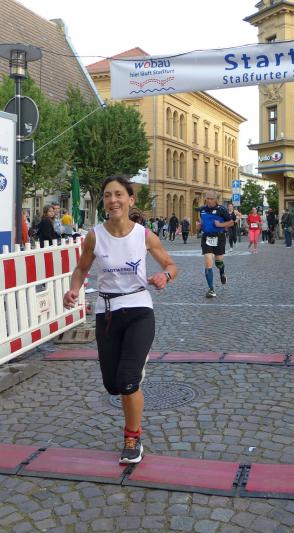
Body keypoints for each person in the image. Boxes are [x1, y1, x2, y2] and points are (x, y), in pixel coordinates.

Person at [63, 176, 179, 465]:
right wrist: (74, 289)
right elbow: (81, 269)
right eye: (107, 195)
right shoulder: (94, 236)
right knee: (112, 385)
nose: (113, 200)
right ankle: (131, 377)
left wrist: (164, 276)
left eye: (118, 194)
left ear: (130, 199)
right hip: (107, 313)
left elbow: (171, 264)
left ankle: (132, 437)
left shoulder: (143, 235)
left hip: (139, 309)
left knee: (127, 381)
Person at [198, 190, 234, 298]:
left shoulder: (222, 210)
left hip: (219, 237)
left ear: (216, 199)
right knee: (208, 262)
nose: (209, 200)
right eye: (207, 198)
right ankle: (211, 289)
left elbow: (231, 222)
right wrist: (200, 226)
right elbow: (203, 223)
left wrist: (220, 225)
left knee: (219, 263)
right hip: (206, 238)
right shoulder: (202, 210)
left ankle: (222, 273)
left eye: (211, 199)